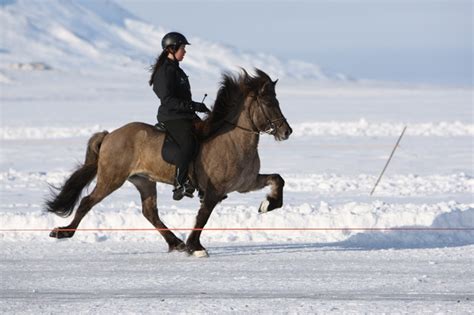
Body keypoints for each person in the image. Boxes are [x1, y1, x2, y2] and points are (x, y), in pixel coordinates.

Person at [149, 32, 210, 201]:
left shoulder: (178, 70)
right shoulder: (164, 71)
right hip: (172, 117)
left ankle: (203, 184)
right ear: (172, 48)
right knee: (189, 143)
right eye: (183, 48)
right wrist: (193, 106)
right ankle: (180, 183)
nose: (185, 51)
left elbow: (183, 98)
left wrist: (197, 106)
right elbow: (168, 100)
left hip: (185, 115)